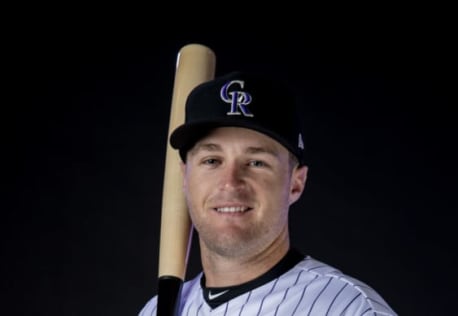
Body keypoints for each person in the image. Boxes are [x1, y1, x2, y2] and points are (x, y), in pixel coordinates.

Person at [139, 71, 397, 315]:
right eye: (212, 161)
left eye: (256, 163)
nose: (230, 183)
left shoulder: (351, 309)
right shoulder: (157, 310)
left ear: (296, 183)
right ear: (184, 177)